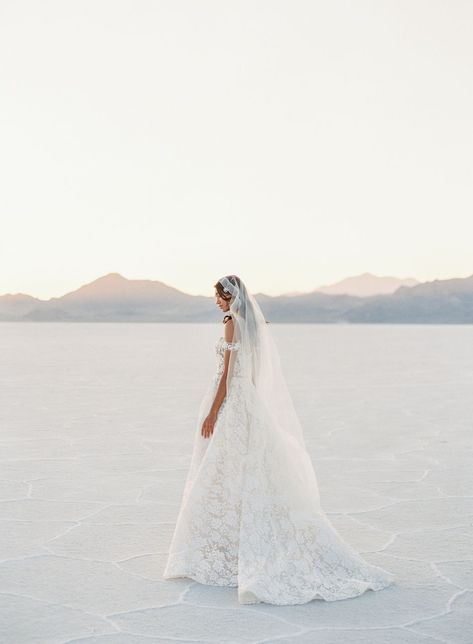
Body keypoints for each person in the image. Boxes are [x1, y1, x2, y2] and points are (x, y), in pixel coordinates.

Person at [162, 274, 394, 605]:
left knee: (220, 470)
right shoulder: (251, 325)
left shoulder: (231, 323)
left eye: (219, 295)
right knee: (244, 470)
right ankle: (235, 541)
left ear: (230, 297)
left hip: (229, 400)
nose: (217, 300)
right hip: (247, 398)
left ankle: (227, 546)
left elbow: (228, 374)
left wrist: (214, 411)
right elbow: (249, 372)